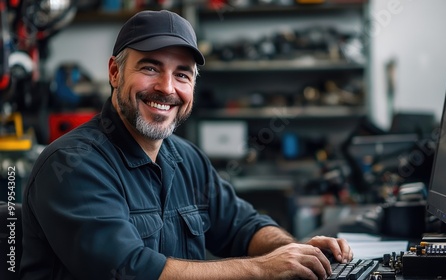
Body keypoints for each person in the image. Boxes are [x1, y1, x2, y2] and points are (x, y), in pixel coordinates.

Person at [20, 9, 353, 280]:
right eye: (150, 67)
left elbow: (242, 226)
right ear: (114, 73)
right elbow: (130, 271)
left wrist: (295, 252)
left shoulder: (186, 159)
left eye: (182, 74)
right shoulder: (72, 165)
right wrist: (262, 269)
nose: (167, 88)